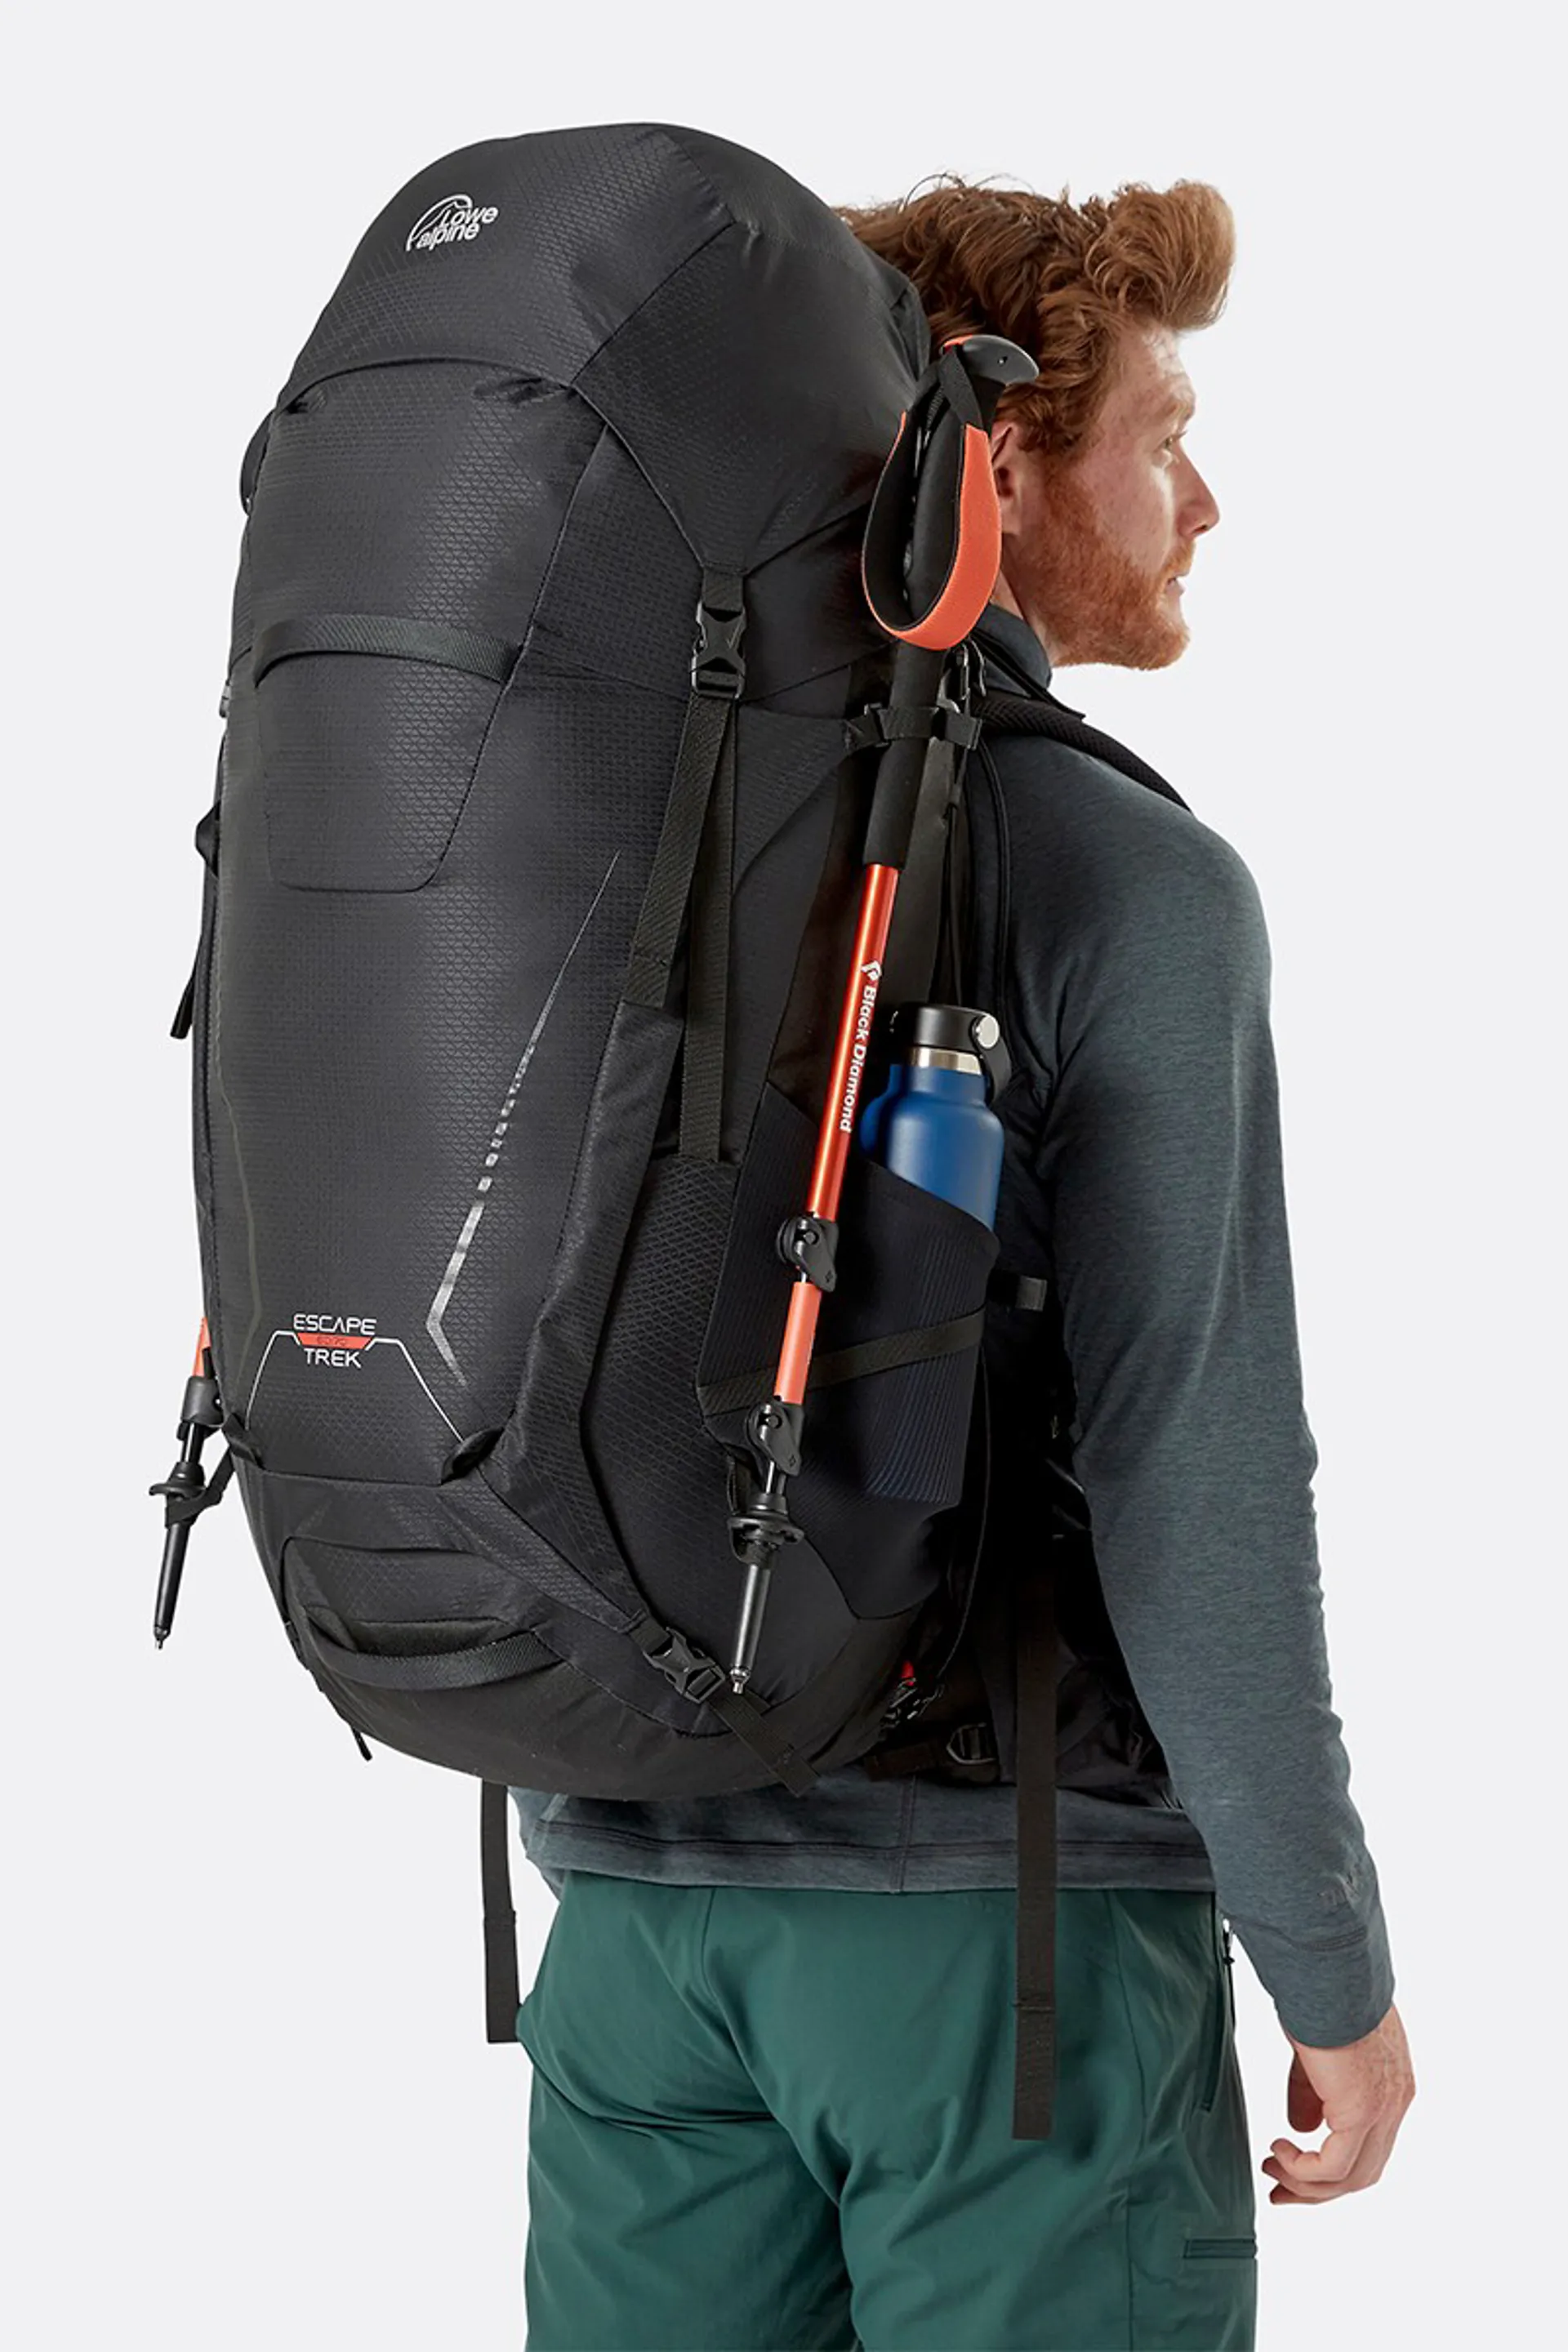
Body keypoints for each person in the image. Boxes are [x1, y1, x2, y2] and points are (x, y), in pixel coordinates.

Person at [509, 176, 1414, 2352]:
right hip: (1005, 1954)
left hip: (632, 1942)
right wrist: (1331, 1961)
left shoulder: (626, 837)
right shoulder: (1128, 879)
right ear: (993, 465)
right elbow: (1199, 1472)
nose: (1205, 501)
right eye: (1163, 435)